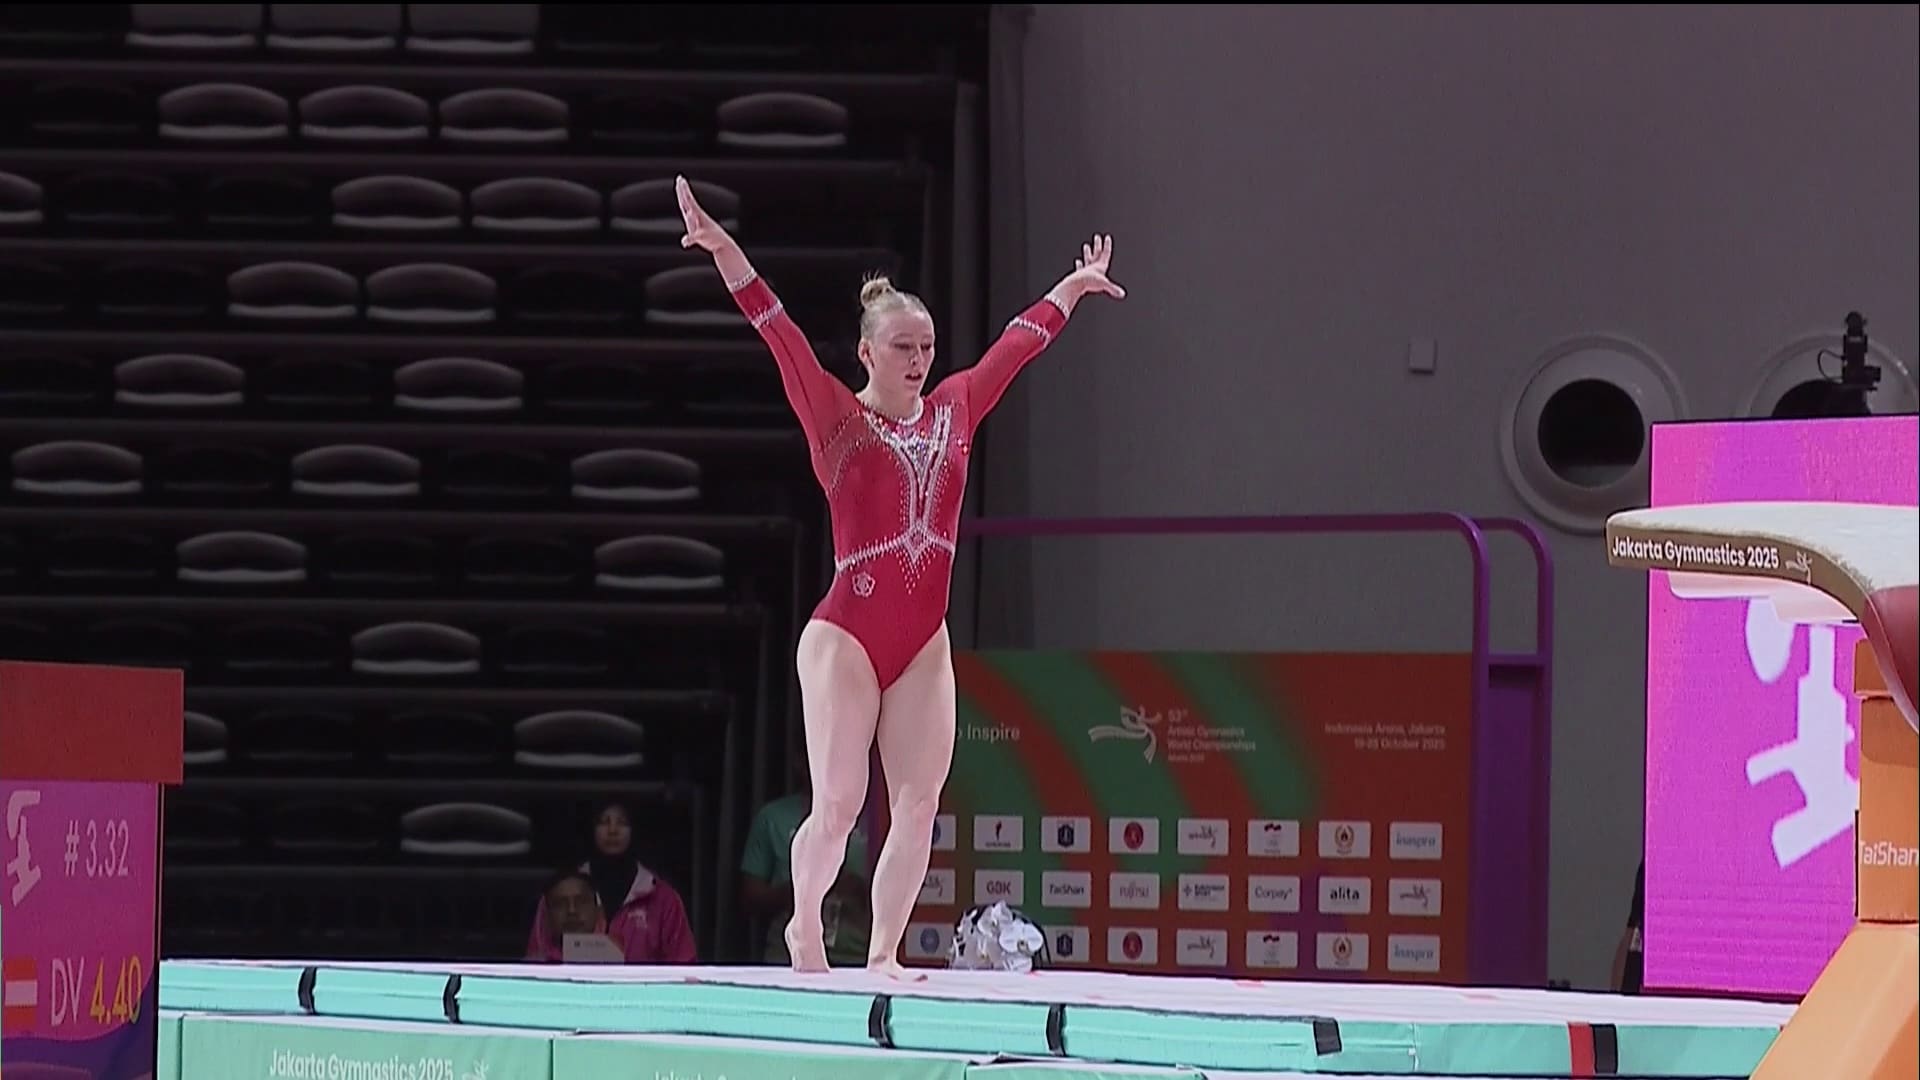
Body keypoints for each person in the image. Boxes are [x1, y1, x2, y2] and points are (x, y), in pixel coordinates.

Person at [675, 175, 1125, 976]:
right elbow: (774, 327)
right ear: (866, 352)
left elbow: (1016, 345)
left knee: (918, 806)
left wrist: (1074, 286)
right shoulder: (834, 415)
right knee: (840, 805)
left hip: (921, 641)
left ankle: (883, 954)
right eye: (902, 348)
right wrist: (723, 249)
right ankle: (804, 926)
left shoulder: (955, 406)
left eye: (926, 347)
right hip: (844, 636)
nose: (919, 361)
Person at [524, 800, 698, 964]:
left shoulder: (664, 899)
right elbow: (537, 959)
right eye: (603, 822)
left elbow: (683, 965)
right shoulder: (560, 892)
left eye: (622, 822)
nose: (612, 830)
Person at [738, 757, 872, 967]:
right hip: (787, 957)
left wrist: (859, 888)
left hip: (857, 957)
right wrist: (806, 889)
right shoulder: (773, 817)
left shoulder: (876, 816)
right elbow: (750, 897)